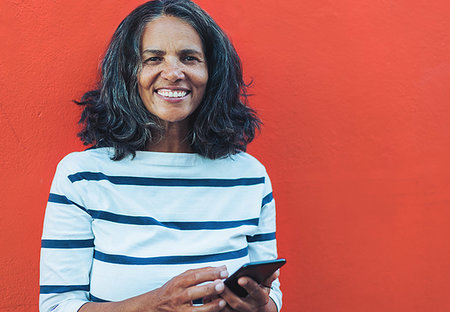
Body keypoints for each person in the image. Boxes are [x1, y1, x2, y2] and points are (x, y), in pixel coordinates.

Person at [39, 0, 282, 311]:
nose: (173, 73)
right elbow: (57, 306)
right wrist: (155, 305)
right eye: (153, 59)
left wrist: (263, 306)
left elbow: (271, 292)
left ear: (212, 72)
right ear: (128, 73)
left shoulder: (249, 176)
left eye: (189, 58)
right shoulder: (81, 176)